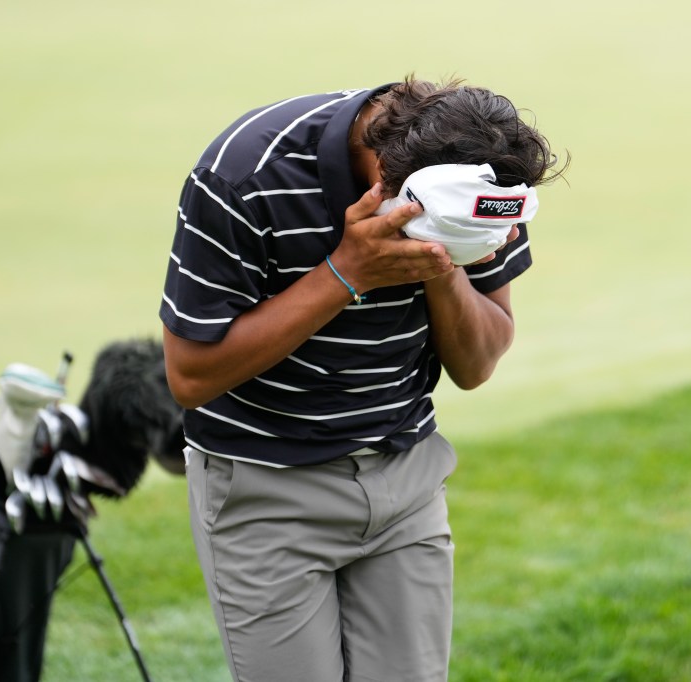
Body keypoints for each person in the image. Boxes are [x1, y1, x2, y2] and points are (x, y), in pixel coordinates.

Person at [160, 76, 565, 682]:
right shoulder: (244, 173)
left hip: (406, 479)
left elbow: (477, 366)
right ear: (386, 180)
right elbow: (190, 378)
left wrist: (441, 261)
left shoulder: (481, 182)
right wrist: (347, 272)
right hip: (265, 487)